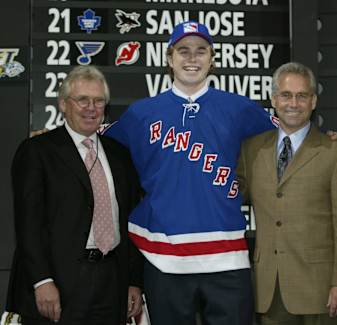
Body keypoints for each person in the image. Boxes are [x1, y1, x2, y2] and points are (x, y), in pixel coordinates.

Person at [104, 21, 276, 324]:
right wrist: (54, 140)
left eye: (200, 51)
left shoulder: (238, 108)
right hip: (164, 258)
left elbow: (290, 136)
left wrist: (331, 139)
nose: (192, 58)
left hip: (227, 256)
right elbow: (96, 144)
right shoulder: (142, 113)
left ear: (212, 58)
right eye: (183, 51)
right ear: (169, 59)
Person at [6, 65, 144, 325]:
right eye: (82, 99)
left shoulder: (120, 155)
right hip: (58, 283)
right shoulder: (37, 151)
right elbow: (28, 224)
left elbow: (129, 221)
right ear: (63, 104)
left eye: (98, 100)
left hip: (111, 283)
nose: (91, 107)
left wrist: (133, 280)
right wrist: (42, 280)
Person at [236, 62, 337, 325]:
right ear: (274, 99)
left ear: (313, 100)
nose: (293, 103)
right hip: (271, 291)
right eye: (286, 95)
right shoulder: (252, 150)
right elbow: (228, 195)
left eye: (301, 95)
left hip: (324, 291)